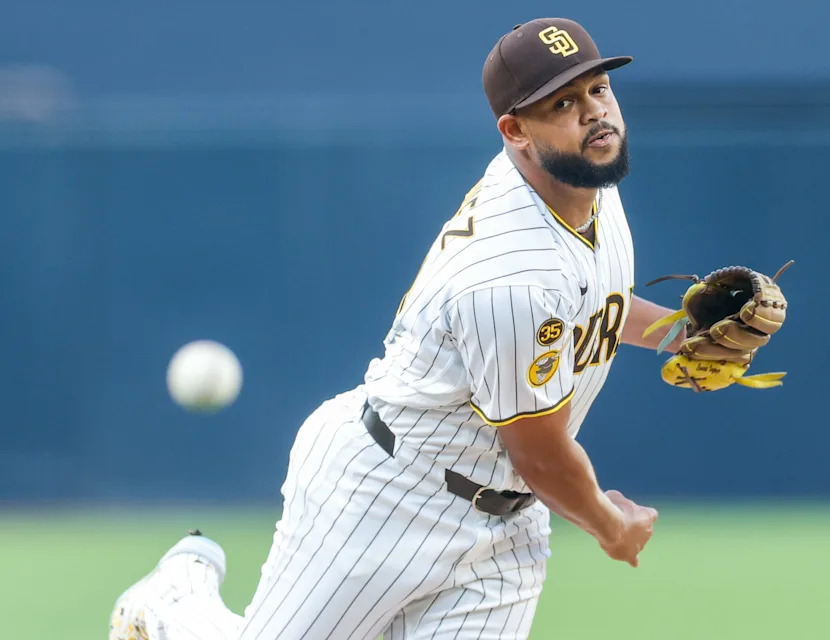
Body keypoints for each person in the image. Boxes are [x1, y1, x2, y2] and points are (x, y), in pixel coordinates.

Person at [109, 17, 685, 640]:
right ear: (515, 130)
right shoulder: (509, 271)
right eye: (563, 103)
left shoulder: (583, 178)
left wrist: (680, 330)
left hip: (506, 529)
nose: (594, 114)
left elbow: (586, 301)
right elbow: (541, 454)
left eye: (599, 89)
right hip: (386, 496)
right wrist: (610, 524)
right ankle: (169, 610)